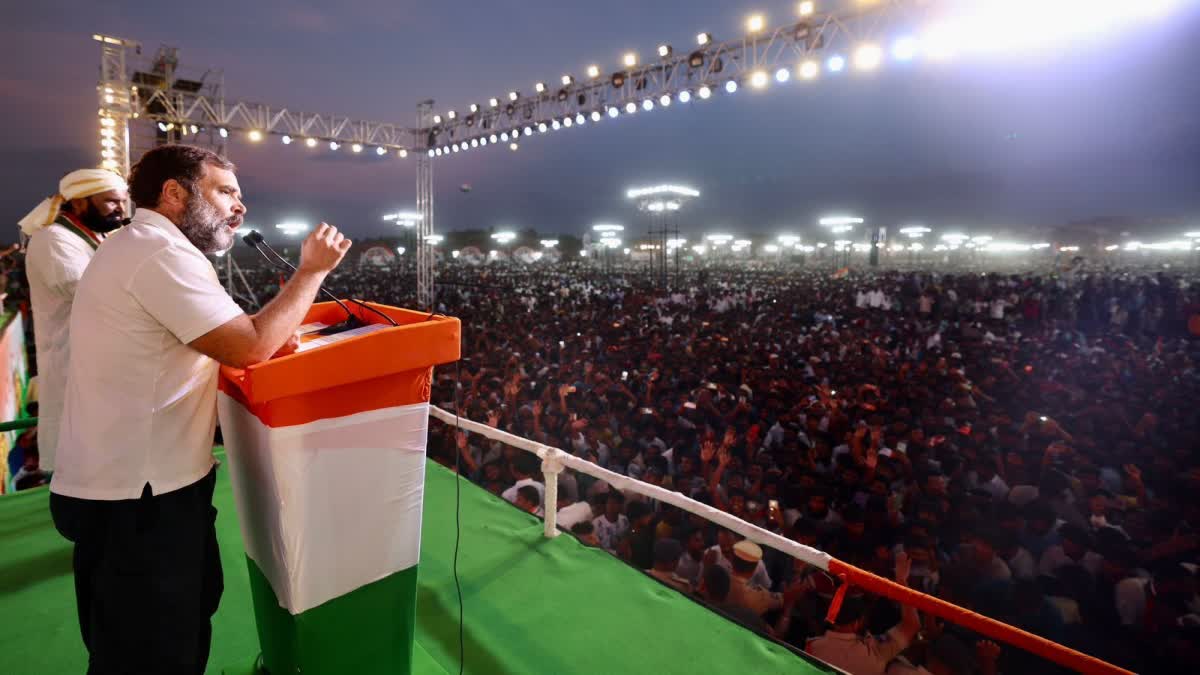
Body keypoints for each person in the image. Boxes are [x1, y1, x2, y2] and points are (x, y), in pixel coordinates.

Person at [49, 144, 351, 674]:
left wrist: (272, 327)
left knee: (162, 634)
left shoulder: (144, 246)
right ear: (174, 193)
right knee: (153, 652)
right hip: (139, 499)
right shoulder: (158, 254)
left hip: (133, 489)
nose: (241, 207)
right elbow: (249, 345)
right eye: (227, 192)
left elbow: (240, 335)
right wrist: (311, 274)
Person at [19, 168, 128, 471]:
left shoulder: (98, 236)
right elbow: (93, 291)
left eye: (122, 201)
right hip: (73, 360)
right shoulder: (53, 239)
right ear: (79, 202)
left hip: (104, 359)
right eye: (110, 202)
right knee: (84, 460)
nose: (120, 209)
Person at [807, 552, 920, 675]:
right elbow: (911, 625)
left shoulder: (813, 648)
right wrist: (902, 582)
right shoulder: (876, 651)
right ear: (857, 622)